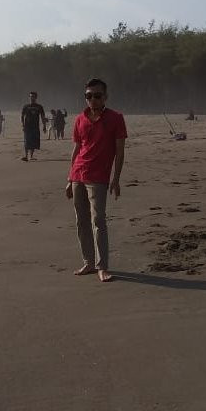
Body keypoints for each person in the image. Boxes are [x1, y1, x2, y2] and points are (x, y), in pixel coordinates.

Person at [65, 78, 127, 283]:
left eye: (97, 95)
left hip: (98, 178)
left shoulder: (116, 118)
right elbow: (76, 149)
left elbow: (119, 152)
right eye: (88, 96)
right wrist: (69, 178)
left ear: (105, 97)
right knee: (81, 221)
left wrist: (115, 179)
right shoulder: (80, 119)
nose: (92, 99)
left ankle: (102, 266)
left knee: (98, 220)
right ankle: (89, 262)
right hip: (78, 175)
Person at [21, 91, 47, 161]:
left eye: (33, 97)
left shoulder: (39, 107)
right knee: (26, 141)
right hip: (27, 126)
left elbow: (43, 117)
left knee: (33, 141)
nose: (32, 98)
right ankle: (26, 156)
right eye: (30, 96)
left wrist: (44, 126)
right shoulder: (26, 106)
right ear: (29, 97)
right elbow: (22, 116)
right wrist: (23, 125)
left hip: (35, 126)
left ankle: (31, 156)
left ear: (36, 98)